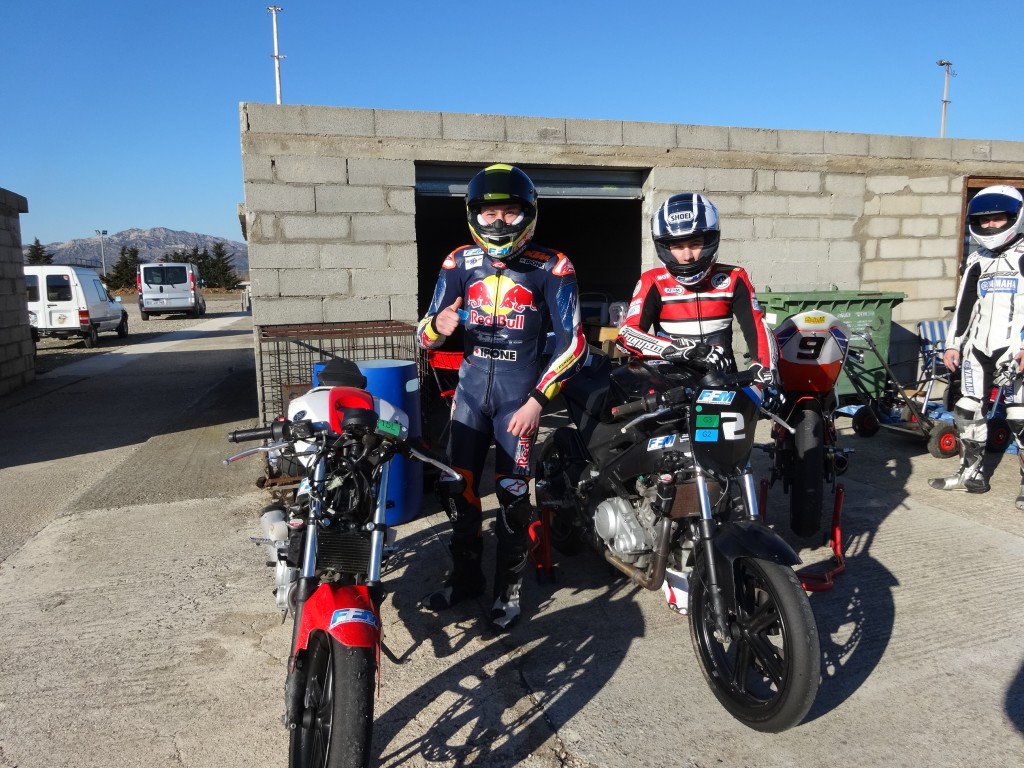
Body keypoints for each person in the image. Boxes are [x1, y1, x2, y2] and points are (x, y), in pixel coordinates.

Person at [416, 163, 588, 631]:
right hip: (470, 398)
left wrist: (537, 401)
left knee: (513, 497)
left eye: (510, 213)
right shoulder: (458, 262)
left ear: (528, 214)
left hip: (520, 401)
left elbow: (573, 342)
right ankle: (466, 579)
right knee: (460, 490)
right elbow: (425, 333)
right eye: (489, 214)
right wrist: (439, 328)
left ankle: (508, 590)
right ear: (474, 215)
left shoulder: (553, 265)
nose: (498, 223)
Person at [616, 192, 781, 403]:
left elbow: (757, 329)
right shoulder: (653, 281)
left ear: (710, 240)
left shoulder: (734, 277)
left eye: (695, 244)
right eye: (677, 246)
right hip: (670, 383)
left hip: (722, 380)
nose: (687, 256)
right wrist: (683, 350)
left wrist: (765, 371)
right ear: (664, 247)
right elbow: (627, 336)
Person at [929, 185, 1024, 504]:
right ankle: (971, 473)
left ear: (1015, 217)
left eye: (998, 220)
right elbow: (965, 304)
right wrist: (952, 344)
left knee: (1019, 416)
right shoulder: (976, 259)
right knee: (967, 409)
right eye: (984, 221)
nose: (990, 226)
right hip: (977, 349)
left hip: (1015, 350)